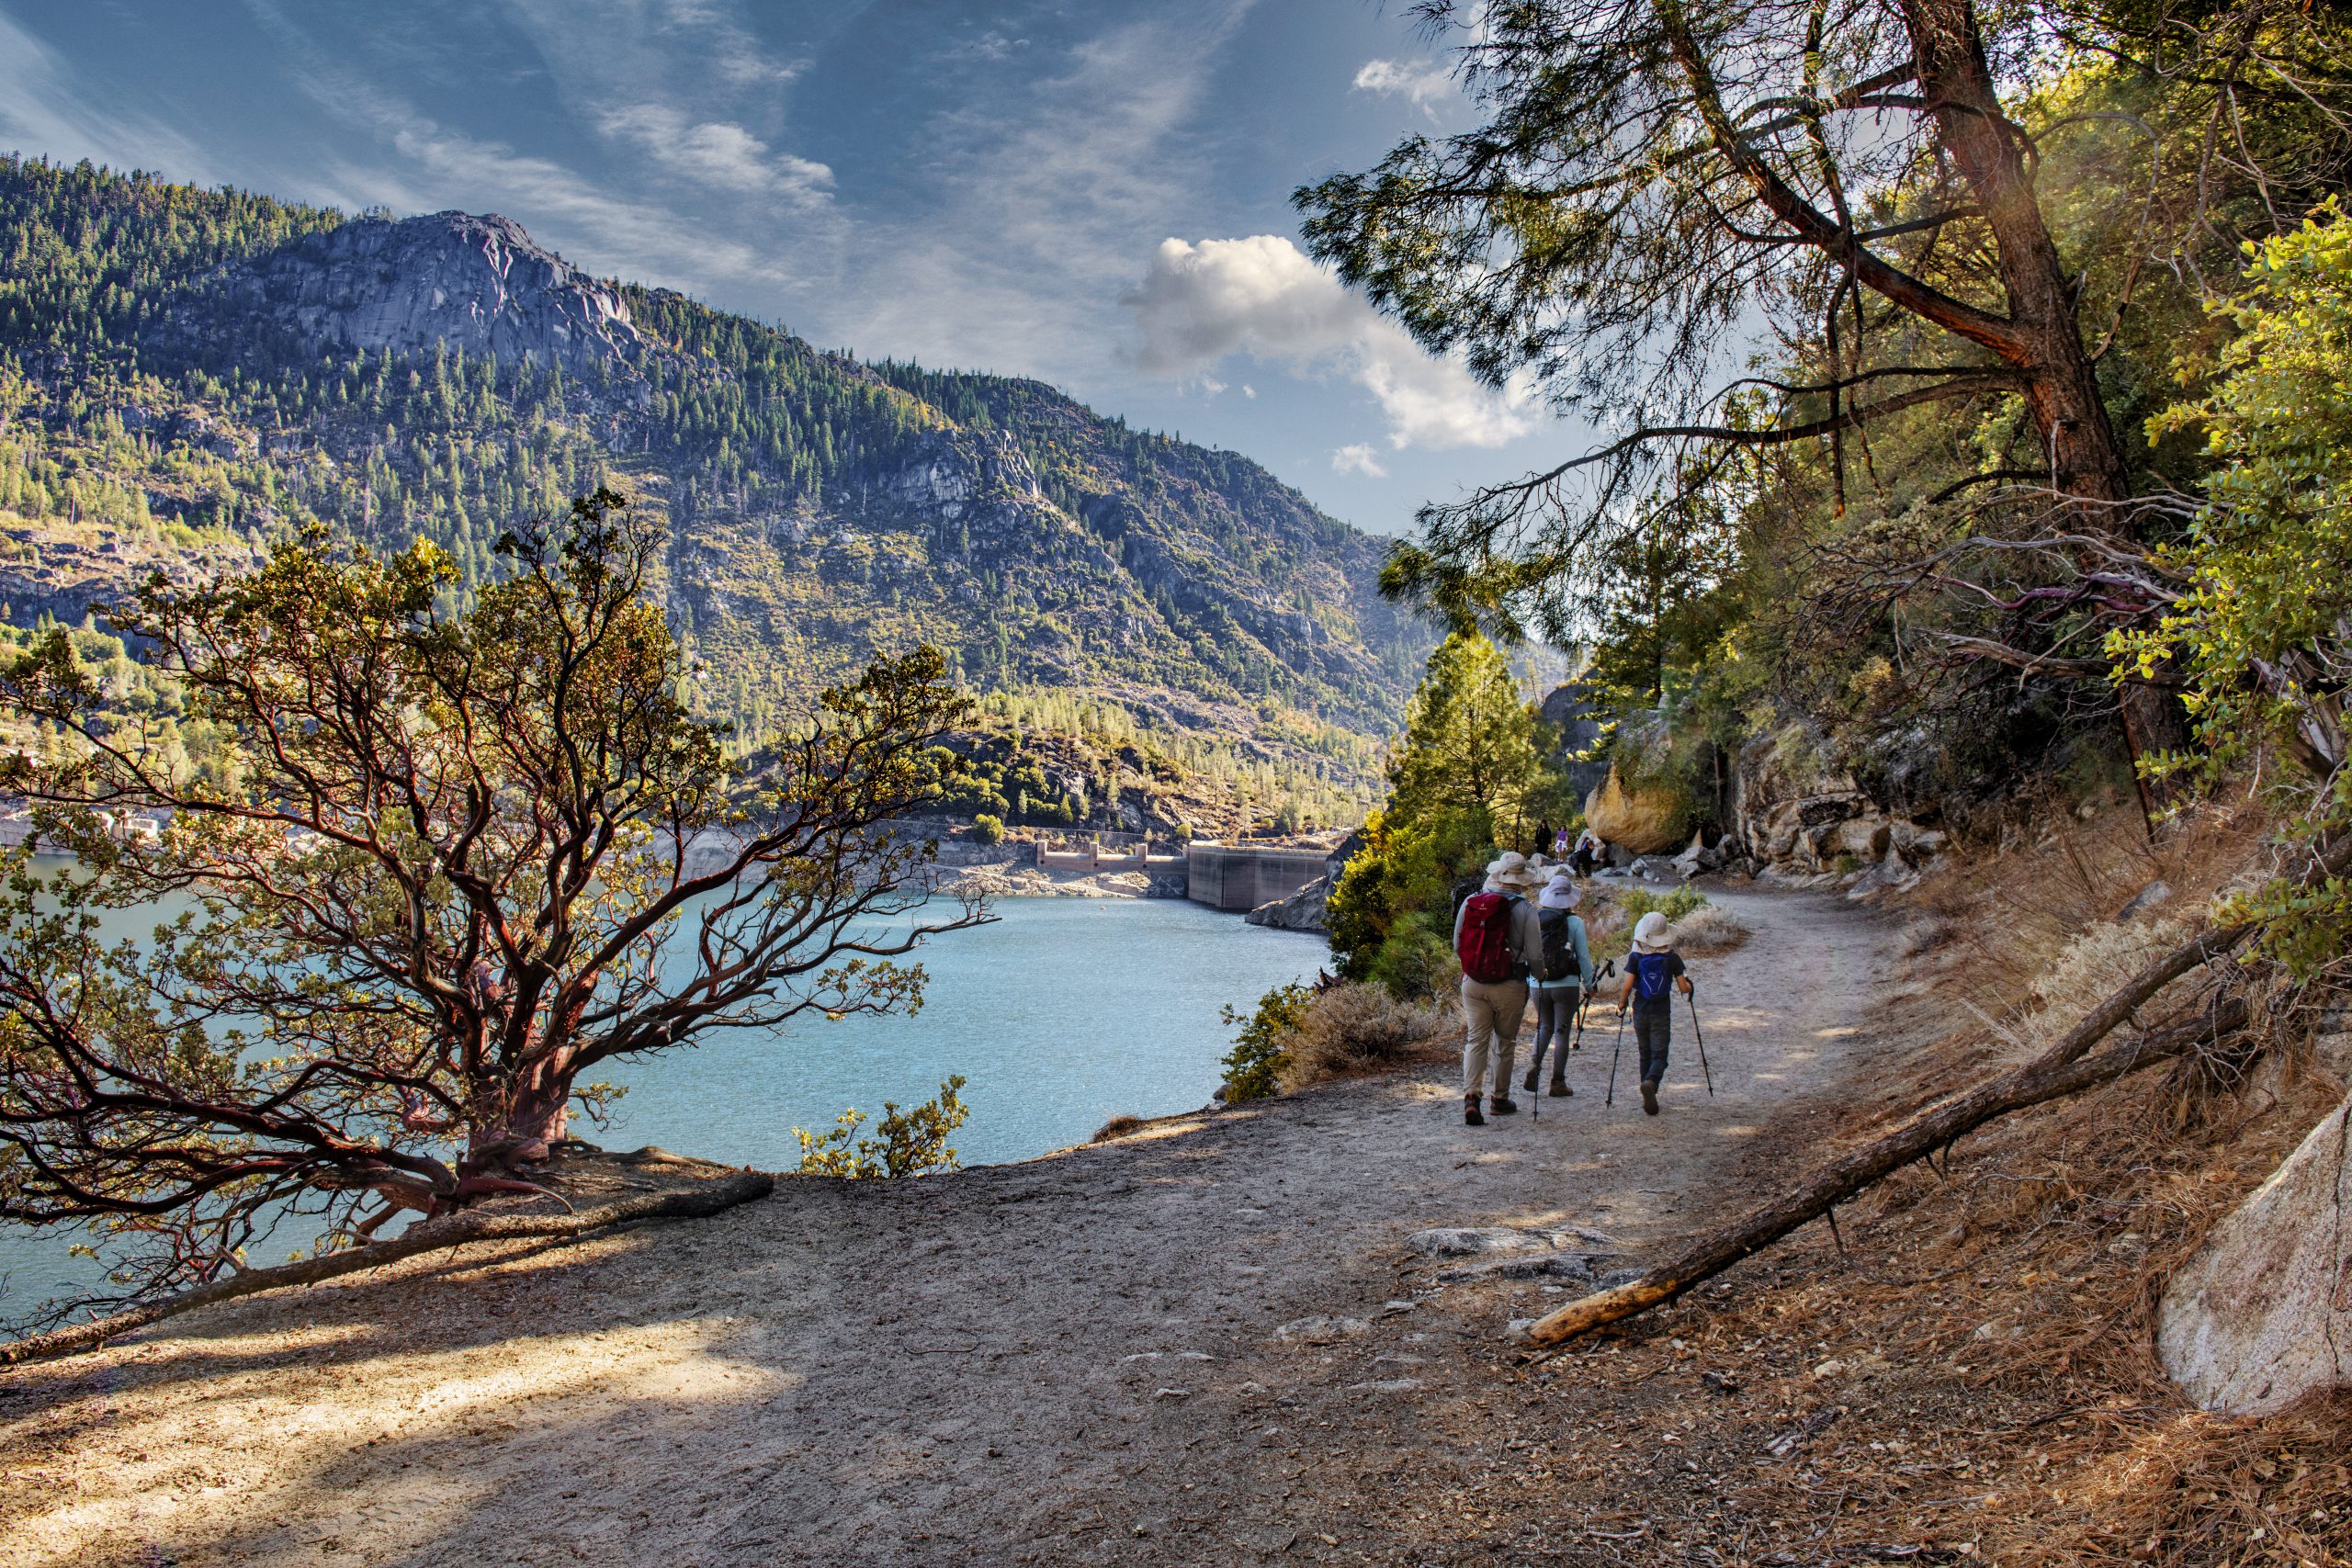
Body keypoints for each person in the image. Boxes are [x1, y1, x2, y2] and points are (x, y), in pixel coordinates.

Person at [1453, 852, 1544, 1126]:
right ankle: (1499, 1099)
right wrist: (1540, 976)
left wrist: (1475, 967)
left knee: (1476, 1040)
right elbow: (1536, 955)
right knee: (1504, 1042)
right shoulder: (1527, 911)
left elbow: (1458, 945)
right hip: (1510, 985)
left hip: (1473, 983)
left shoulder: (1471, 902)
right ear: (1520, 881)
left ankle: (1471, 1097)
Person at [1522, 868, 1594, 1098]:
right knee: (1562, 1032)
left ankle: (1535, 1062)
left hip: (1538, 983)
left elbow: (1527, 952)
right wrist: (1590, 984)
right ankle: (1557, 1082)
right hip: (1567, 984)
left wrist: (1529, 979)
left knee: (1544, 1026)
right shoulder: (1575, 923)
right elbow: (1583, 957)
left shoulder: (1534, 918)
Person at [1614, 909, 1691, 1116]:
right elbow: (1683, 988)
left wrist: (1622, 1004)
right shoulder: (1672, 958)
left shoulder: (1636, 957)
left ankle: (1647, 1090)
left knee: (1645, 1053)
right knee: (1660, 1054)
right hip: (1661, 1011)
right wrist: (1690, 988)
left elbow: (1627, 986)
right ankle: (1651, 1083)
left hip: (1640, 1009)